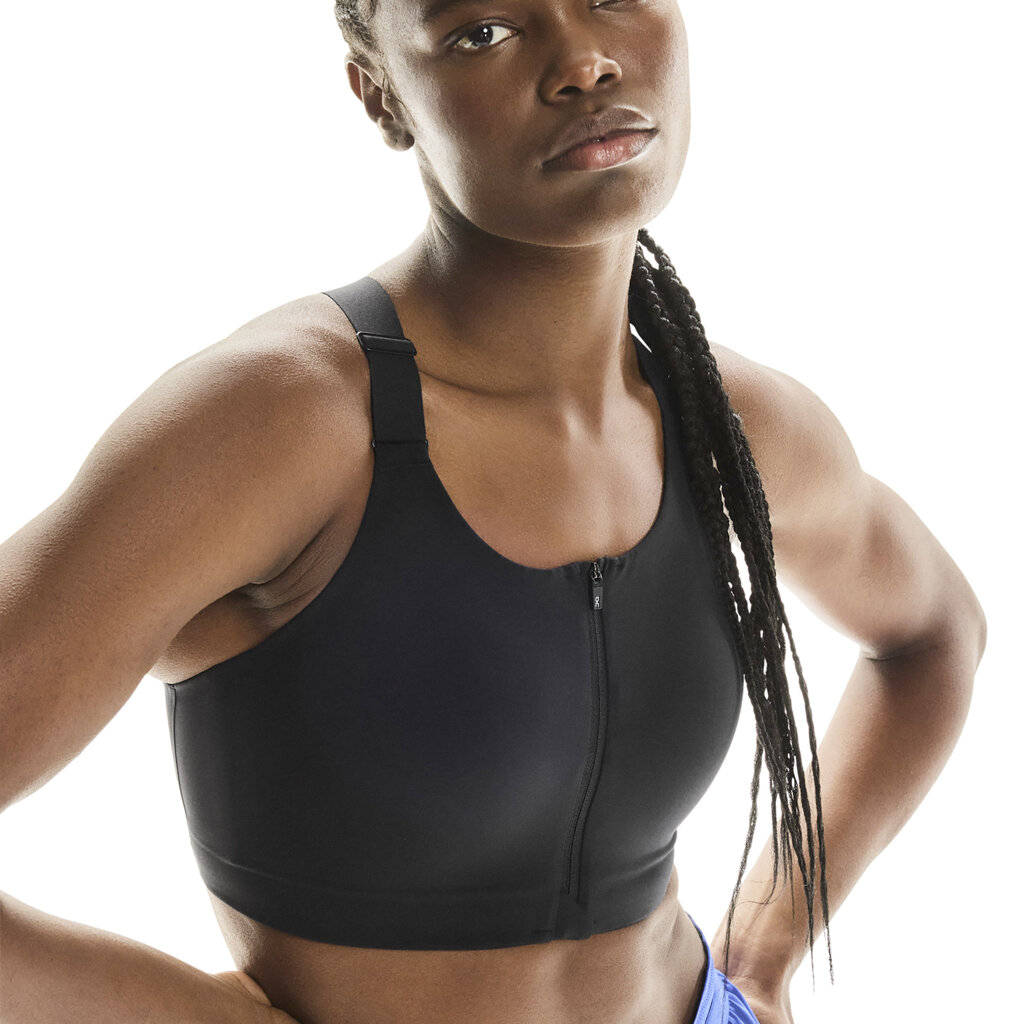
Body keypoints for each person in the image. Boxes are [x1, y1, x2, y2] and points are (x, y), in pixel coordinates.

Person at [0, 2, 987, 1023]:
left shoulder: (729, 427)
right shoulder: (282, 423)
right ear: (381, 93)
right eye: (482, 30)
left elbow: (935, 635)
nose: (584, 62)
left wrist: (761, 958)